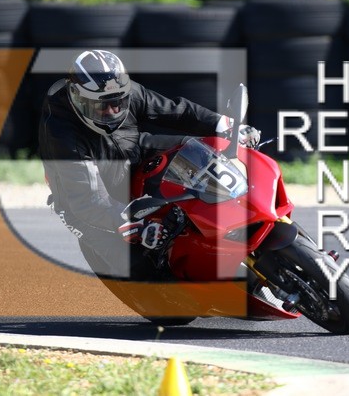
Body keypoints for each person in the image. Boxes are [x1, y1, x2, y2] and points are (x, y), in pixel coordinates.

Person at [39, 49, 259, 279]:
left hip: (130, 148)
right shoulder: (61, 135)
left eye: (118, 103)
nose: (113, 112)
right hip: (83, 201)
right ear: (78, 98)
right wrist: (135, 224)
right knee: (140, 269)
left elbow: (175, 111)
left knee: (199, 150)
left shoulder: (122, 89)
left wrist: (224, 125)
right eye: (102, 106)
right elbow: (88, 200)